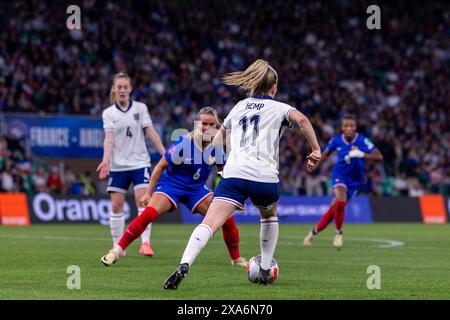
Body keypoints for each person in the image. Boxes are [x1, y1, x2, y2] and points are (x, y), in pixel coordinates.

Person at [163, 59, 321, 289]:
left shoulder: (238, 107)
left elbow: (215, 146)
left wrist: (221, 170)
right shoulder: (280, 108)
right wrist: (315, 149)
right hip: (265, 178)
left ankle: (185, 263)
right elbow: (303, 120)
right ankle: (265, 268)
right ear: (274, 87)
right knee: (268, 216)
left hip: (234, 175)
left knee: (210, 223)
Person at [100, 107, 247, 267]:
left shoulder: (216, 147)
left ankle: (236, 258)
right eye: (204, 123)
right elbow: (160, 166)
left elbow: (222, 172)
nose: (208, 128)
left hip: (196, 190)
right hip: (171, 186)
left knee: (227, 218)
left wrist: (232, 197)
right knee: (148, 214)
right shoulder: (184, 143)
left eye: (212, 124)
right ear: (197, 124)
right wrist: (148, 193)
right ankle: (117, 250)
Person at [97, 72, 165, 257]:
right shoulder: (108, 113)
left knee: (142, 201)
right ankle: (118, 246)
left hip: (139, 163)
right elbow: (109, 139)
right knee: (116, 206)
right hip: (118, 166)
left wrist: (165, 154)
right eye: (119, 87)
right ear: (114, 89)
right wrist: (105, 160)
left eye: (125, 87)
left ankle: (145, 243)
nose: (122, 90)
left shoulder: (140, 108)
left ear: (130, 89)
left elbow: (151, 133)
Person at [303, 114, 383, 249]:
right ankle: (339, 233)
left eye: (351, 126)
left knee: (335, 208)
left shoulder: (362, 141)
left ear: (355, 127)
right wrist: (314, 164)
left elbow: (379, 156)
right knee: (340, 200)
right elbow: (326, 154)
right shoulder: (336, 140)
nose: (348, 128)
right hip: (339, 175)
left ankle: (313, 232)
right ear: (342, 128)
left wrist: (362, 154)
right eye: (346, 126)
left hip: (355, 180)